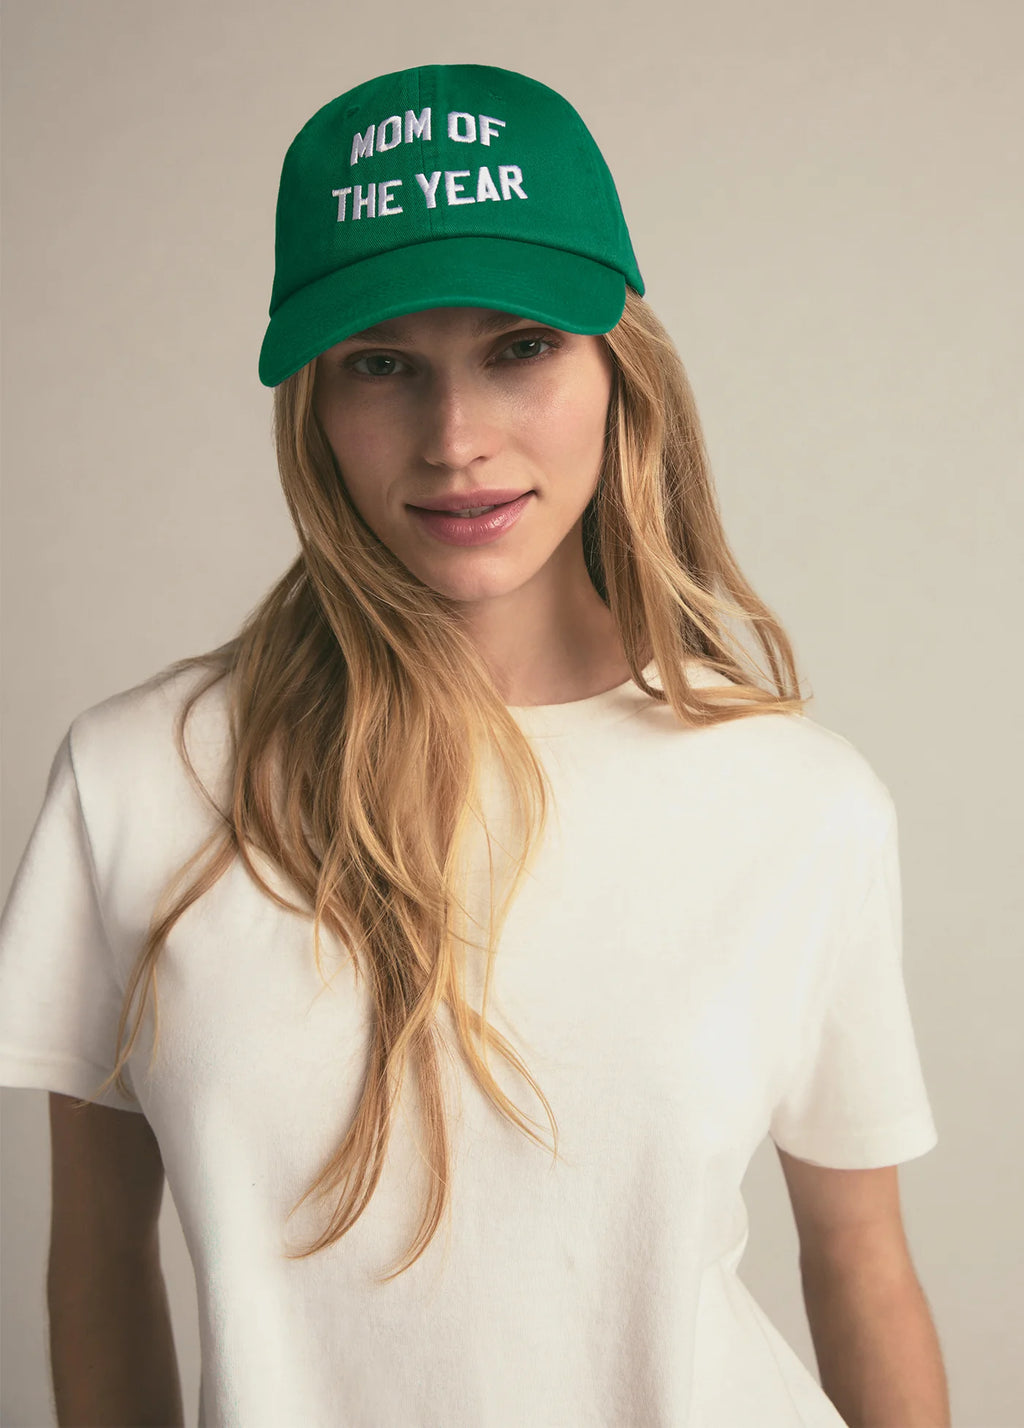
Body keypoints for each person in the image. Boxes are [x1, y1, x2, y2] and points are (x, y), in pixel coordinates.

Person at [0, 62, 946, 1428]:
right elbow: (97, 1263)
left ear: (620, 367)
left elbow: (861, 1264)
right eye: (383, 365)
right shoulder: (138, 783)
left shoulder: (801, 805)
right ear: (314, 406)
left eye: (519, 349)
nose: (455, 442)